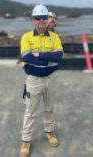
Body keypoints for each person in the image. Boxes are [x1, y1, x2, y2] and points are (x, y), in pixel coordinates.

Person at [19, 4, 63, 157]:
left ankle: (49, 133)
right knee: (30, 112)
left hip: (50, 79)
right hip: (34, 80)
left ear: (48, 19)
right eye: (38, 18)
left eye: (44, 17)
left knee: (49, 108)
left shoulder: (55, 37)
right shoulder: (26, 37)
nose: (41, 21)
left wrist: (39, 55)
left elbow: (59, 57)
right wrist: (48, 57)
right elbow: (26, 57)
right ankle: (25, 142)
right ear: (34, 20)